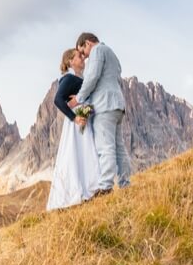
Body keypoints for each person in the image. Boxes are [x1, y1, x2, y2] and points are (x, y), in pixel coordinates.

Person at [68, 32, 131, 196]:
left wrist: (79, 99)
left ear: (88, 43)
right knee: (119, 147)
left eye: (82, 51)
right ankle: (125, 183)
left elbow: (92, 77)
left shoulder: (97, 51)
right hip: (117, 105)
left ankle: (105, 187)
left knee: (105, 147)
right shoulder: (111, 53)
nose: (84, 56)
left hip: (104, 105)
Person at [46, 48, 100, 210]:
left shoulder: (76, 78)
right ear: (70, 61)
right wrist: (74, 117)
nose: (83, 58)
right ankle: (82, 191)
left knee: (84, 153)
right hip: (76, 123)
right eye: (79, 56)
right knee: (79, 153)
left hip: (81, 120)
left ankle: (89, 189)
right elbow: (58, 100)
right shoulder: (68, 78)